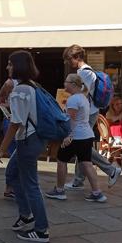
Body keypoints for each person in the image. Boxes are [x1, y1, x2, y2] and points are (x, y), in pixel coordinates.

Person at [0, 51, 50, 242]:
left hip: (27, 140)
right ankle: (26, 215)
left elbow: (16, 123)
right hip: (34, 138)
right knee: (12, 174)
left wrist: (1, 148)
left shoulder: (20, 90)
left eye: (10, 64)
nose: (7, 67)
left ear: (18, 66)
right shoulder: (32, 86)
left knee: (31, 184)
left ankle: (41, 229)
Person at [61, 45, 121, 190]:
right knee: (80, 144)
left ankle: (110, 169)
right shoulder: (87, 71)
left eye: (69, 60)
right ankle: (78, 179)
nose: (69, 63)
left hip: (87, 112)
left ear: (76, 57)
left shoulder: (84, 73)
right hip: (90, 111)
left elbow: (82, 94)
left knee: (82, 144)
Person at [46, 73, 105, 202]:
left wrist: (68, 136)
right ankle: (97, 192)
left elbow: (70, 120)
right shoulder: (83, 98)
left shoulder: (73, 100)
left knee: (61, 160)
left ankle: (60, 190)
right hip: (87, 135)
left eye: (66, 81)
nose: (64, 84)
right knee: (87, 164)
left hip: (76, 136)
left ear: (72, 84)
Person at [0, 78, 16, 198]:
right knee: (15, 156)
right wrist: (7, 105)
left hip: (19, 124)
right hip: (11, 121)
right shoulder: (9, 83)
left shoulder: (25, 83)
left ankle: (12, 187)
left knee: (17, 156)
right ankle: (10, 187)